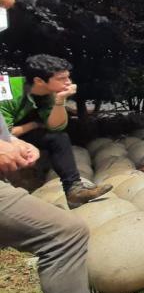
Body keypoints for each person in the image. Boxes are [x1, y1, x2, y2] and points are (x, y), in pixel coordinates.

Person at [0, 0, 144, 293]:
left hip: (18, 148)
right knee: (63, 233)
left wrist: (51, 108)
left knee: (56, 141)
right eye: (0, 4)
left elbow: (54, 128)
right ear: (40, 79)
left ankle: (73, 185)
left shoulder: (39, 94)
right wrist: (12, 137)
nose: (3, 17)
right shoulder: (10, 88)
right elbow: (16, 126)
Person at [0, 55, 112, 208]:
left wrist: (60, 101)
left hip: (17, 134)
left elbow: (56, 127)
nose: (69, 82)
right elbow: (4, 135)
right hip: (3, 140)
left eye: (68, 77)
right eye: (61, 79)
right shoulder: (6, 91)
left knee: (58, 138)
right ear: (39, 81)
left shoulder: (47, 94)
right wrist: (34, 125)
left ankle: (74, 190)